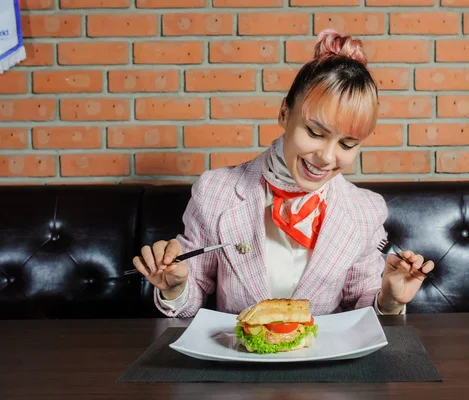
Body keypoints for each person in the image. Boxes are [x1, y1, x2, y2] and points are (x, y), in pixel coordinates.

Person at [132, 29, 435, 318]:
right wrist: (176, 288)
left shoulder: (365, 210)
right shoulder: (216, 191)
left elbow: (362, 307)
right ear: (284, 114)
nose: (327, 157)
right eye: (315, 132)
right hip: (240, 364)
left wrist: (390, 299)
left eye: (347, 143)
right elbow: (192, 294)